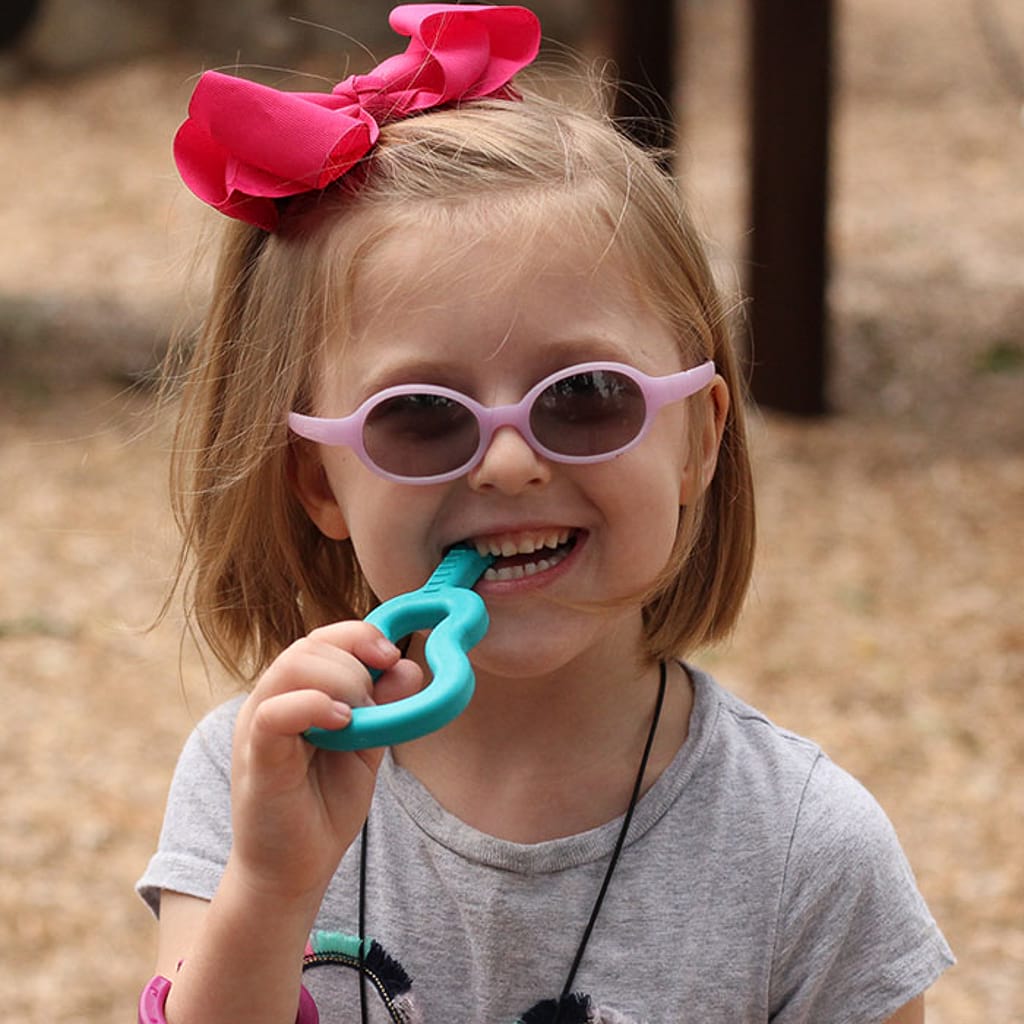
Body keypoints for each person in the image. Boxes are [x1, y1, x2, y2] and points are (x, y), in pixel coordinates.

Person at [136, 5, 953, 1023]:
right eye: (423, 416)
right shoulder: (253, 779)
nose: (513, 462)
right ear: (316, 481)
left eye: (584, 396)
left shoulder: (804, 847)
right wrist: (270, 888)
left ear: (696, 440)